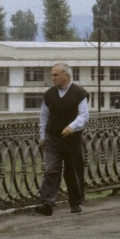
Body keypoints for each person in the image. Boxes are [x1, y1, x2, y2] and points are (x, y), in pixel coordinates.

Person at [35, 62, 89, 215]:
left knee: (72, 170)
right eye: (52, 74)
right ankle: (47, 203)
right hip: (53, 138)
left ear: (66, 75)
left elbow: (84, 116)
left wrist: (71, 127)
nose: (52, 78)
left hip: (72, 139)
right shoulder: (49, 94)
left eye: (56, 74)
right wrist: (42, 136)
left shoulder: (79, 93)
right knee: (51, 169)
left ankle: (75, 202)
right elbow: (43, 117)